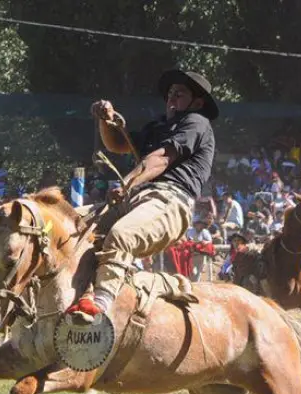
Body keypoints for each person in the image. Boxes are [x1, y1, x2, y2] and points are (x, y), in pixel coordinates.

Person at [66, 69, 218, 322]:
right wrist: (107, 119)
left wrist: (126, 182)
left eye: (179, 94)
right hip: (134, 197)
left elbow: (161, 158)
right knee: (69, 224)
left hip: (170, 200)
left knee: (122, 235)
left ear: (198, 103)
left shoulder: (196, 123)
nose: (171, 99)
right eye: (170, 94)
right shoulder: (158, 126)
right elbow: (116, 143)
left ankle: (99, 311)